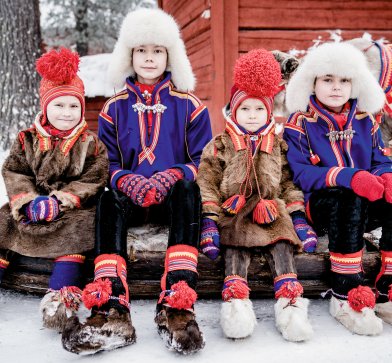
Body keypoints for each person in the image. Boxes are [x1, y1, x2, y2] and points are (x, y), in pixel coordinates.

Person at [61, 8, 212, 355]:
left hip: (174, 198)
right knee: (108, 198)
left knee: (188, 189)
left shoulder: (189, 105)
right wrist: (125, 179)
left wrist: (172, 175)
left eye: (157, 50)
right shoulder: (114, 107)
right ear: (129, 55)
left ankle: (177, 302)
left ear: (169, 55)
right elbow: (107, 162)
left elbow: (203, 159)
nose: (149, 58)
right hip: (130, 198)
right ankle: (111, 306)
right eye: (141, 50)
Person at [197, 49, 316, 342]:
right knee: (235, 245)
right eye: (245, 109)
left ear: (268, 112)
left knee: (283, 243)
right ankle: (236, 302)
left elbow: (287, 182)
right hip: (233, 210)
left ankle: (290, 303)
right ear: (234, 112)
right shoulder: (220, 144)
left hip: (271, 210)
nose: (252, 116)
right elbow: (207, 181)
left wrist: (298, 216)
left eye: (259, 109)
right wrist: (210, 221)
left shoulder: (277, 144)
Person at [284, 42, 392, 336]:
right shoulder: (300, 123)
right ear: (313, 82)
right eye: (327, 79)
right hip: (323, 208)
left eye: (344, 80)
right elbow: (302, 174)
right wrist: (347, 176)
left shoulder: (365, 120)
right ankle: (345, 293)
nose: (336, 87)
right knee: (347, 195)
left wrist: (386, 176)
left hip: (364, 203)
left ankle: (387, 283)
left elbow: (380, 160)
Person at [0, 48, 108, 333]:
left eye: (74, 106)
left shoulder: (90, 144)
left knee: (80, 229)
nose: (66, 113)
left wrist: (63, 199)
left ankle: (61, 294)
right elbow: (15, 171)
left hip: (72, 209)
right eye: (59, 105)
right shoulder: (27, 139)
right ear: (45, 107)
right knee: (3, 223)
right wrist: (29, 201)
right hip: (32, 206)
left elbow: (95, 177)